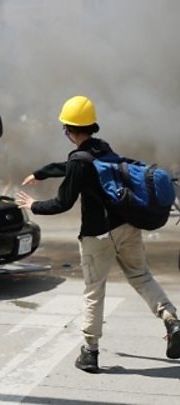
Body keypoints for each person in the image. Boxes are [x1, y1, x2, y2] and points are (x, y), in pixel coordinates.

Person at [16, 95, 180, 373]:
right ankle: (172, 320)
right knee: (141, 276)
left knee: (94, 291)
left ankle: (90, 352)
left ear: (69, 130)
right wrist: (41, 172)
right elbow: (73, 166)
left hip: (99, 236)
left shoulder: (79, 161)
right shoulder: (103, 149)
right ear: (91, 126)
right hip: (128, 227)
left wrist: (33, 206)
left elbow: (63, 202)